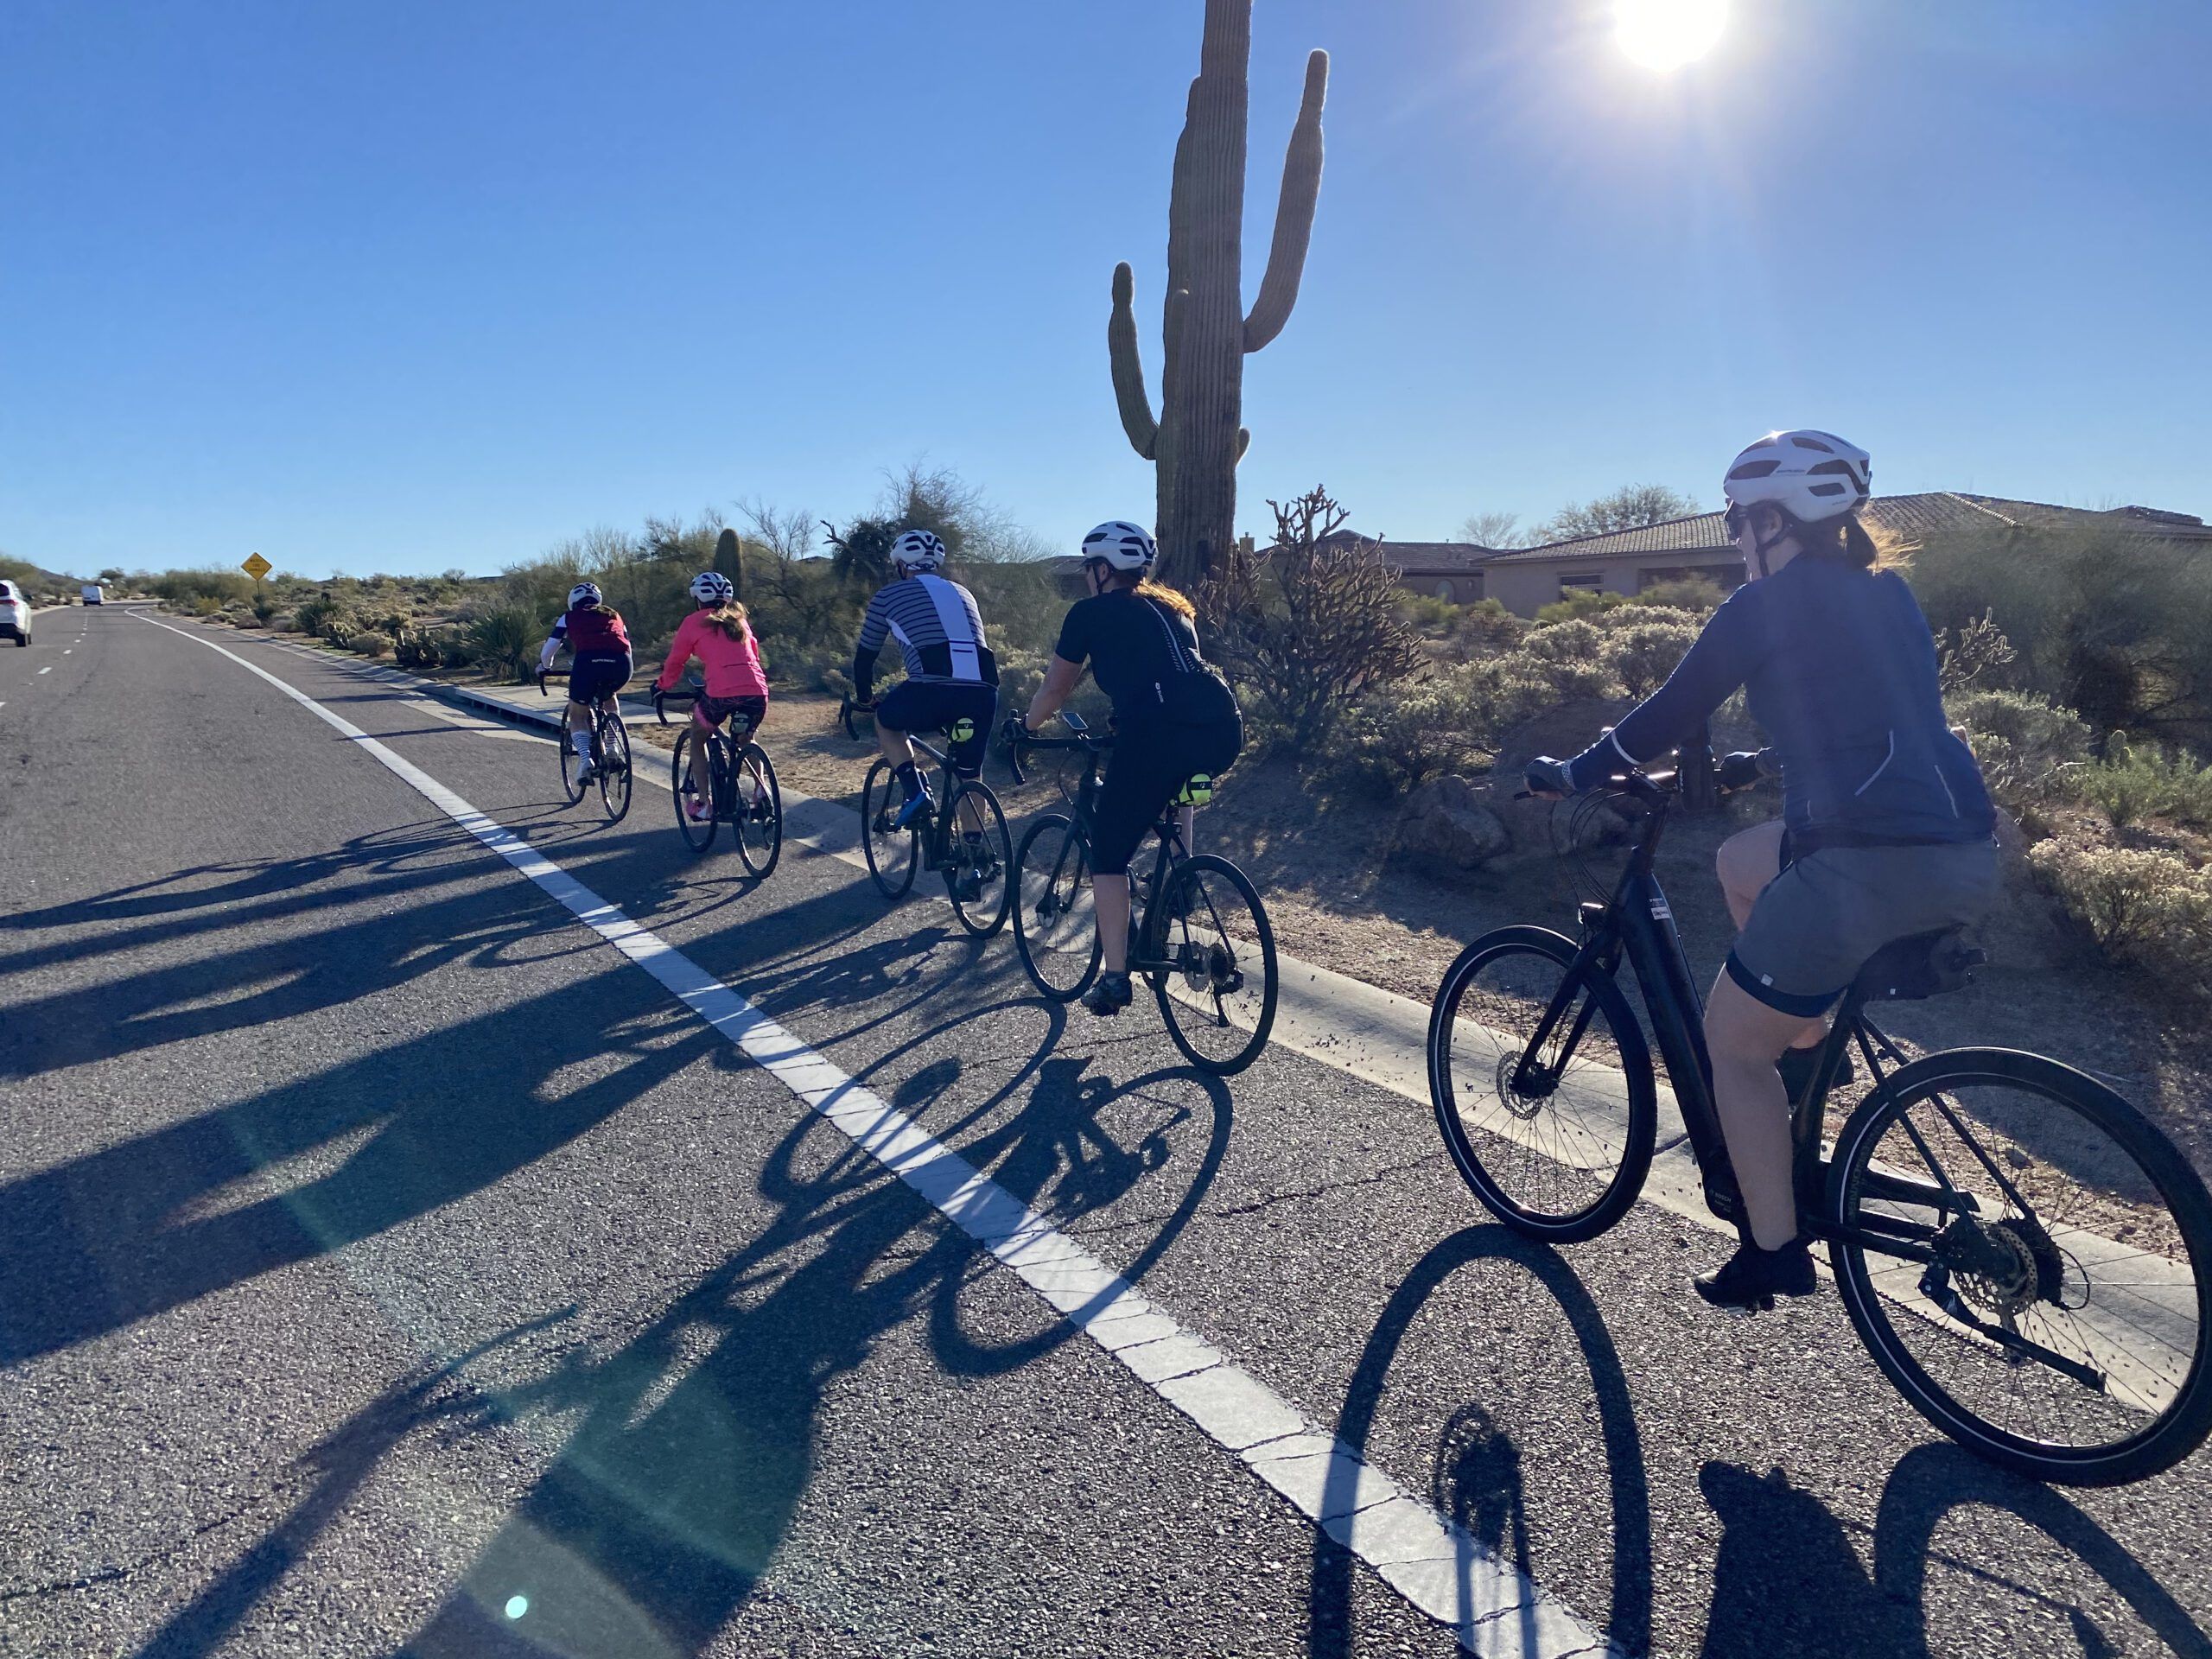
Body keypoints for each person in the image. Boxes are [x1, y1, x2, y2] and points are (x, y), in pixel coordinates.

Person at [1526, 430, 1999, 1309]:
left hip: (1863, 866)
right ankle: (1807, 1051)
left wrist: (1575, 773)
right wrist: (1760, 762)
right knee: (1739, 858)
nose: (1735, 537)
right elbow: (1872, 715)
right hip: (1962, 851)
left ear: (1774, 519)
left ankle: (1771, 1250)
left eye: (1741, 519)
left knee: (1727, 1049)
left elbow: (1670, 707)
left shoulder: (1768, 605)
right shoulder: (1887, 593)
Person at [1013, 520, 1244, 1016]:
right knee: (1174, 787)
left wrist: (1026, 727)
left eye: (1088, 567)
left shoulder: (1089, 613)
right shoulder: (1174, 609)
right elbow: (1169, 673)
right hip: (1222, 729)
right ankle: (1179, 875)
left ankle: (1115, 979)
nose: (1085, 576)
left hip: (1159, 737)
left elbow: (1055, 689)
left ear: (1102, 569)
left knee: (1109, 856)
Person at [851, 530, 1001, 832]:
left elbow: (865, 658)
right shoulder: (963, 593)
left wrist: (865, 699)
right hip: (983, 691)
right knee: (969, 774)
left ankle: (915, 791)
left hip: (932, 688)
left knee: (886, 721)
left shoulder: (888, 595)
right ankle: (975, 856)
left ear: (902, 565)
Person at [657, 570, 771, 823]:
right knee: (745, 738)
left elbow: (676, 660)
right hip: (756, 690)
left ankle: (705, 803)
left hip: (721, 692)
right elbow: (753, 653)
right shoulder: (740, 620)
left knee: (698, 735)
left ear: (698, 599)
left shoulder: (693, 622)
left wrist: (663, 685)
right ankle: (762, 788)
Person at [538, 582, 632, 785]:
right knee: (609, 695)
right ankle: (613, 747)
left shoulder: (569, 617)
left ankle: (584, 761)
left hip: (588, 663)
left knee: (578, 713)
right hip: (622, 664)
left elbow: (550, 648)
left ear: (573, 602)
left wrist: (545, 666)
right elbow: (627, 645)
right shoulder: (613, 614)